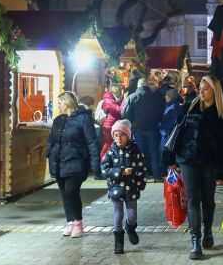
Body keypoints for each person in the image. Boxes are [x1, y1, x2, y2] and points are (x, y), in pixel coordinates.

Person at [166, 75, 223, 259]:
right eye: (200, 88)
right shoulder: (190, 107)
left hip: (209, 161)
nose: (201, 91)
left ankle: (208, 231)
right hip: (187, 158)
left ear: (214, 91)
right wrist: (171, 158)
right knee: (193, 198)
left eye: (206, 88)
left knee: (208, 199)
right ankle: (196, 241)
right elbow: (177, 132)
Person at [46, 91, 100, 238]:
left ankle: (78, 222)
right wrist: (49, 152)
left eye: (60, 103)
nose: (58, 105)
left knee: (71, 191)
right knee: (64, 193)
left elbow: (92, 142)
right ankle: (70, 222)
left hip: (76, 161)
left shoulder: (83, 119)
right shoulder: (58, 120)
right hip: (58, 161)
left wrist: (95, 164)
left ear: (68, 103)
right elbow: (51, 138)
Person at [100, 119, 148, 254]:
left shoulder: (136, 152)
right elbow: (104, 170)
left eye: (122, 135)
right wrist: (120, 172)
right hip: (116, 190)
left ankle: (130, 227)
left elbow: (142, 169)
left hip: (131, 189)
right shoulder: (110, 152)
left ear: (128, 136)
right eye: (115, 136)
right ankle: (118, 241)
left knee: (132, 215)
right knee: (118, 215)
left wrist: (140, 184)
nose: (118, 139)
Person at [121, 74, 165, 182]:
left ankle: (141, 176)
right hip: (153, 128)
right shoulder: (155, 96)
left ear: (138, 86)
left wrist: (132, 122)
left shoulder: (132, 96)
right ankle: (156, 175)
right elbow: (161, 110)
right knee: (154, 152)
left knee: (139, 153)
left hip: (138, 130)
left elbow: (124, 113)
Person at [99, 84, 124, 160]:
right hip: (110, 125)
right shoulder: (109, 101)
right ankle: (107, 161)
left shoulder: (110, 99)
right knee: (111, 144)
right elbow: (120, 110)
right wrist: (124, 101)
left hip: (110, 124)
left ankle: (103, 160)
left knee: (108, 144)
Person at [159, 88, 183, 167]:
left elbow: (175, 121)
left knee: (164, 153)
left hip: (168, 134)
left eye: (166, 95)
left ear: (170, 96)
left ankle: (166, 172)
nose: (165, 97)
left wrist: (163, 126)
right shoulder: (168, 105)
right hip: (164, 133)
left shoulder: (174, 107)